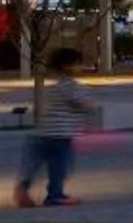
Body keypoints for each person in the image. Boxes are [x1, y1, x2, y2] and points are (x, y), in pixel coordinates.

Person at [13, 46, 97, 208]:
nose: (81, 67)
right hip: (61, 134)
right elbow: (82, 104)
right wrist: (88, 107)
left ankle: (23, 188)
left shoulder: (56, 85)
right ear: (67, 66)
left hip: (44, 132)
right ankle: (55, 195)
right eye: (78, 64)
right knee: (59, 166)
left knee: (35, 164)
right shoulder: (70, 85)